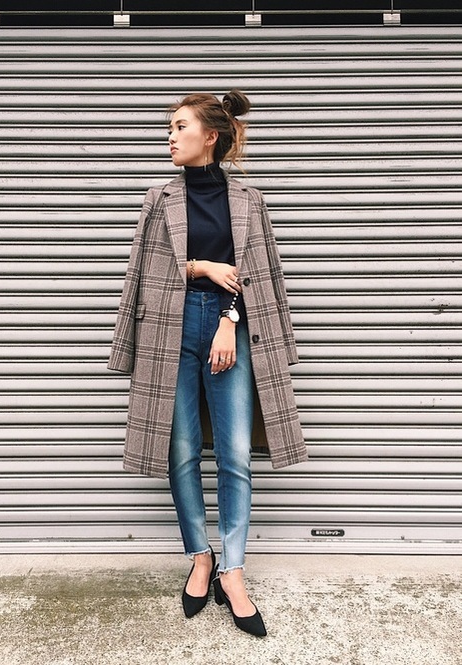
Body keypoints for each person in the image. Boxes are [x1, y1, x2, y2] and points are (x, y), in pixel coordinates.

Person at [108, 90, 307, 637]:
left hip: (229, 330)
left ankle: (232, 570)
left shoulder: (249, 200)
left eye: (179, 126)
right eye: (170, 128)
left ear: (210, 136)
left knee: (236, 454)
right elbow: (144, 274)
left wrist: (228, 319)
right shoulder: (159, 198)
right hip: (168, 330)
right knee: (181, 451)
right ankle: (200, 556)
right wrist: (200, 267)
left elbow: (261, 275)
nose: (169, 137)